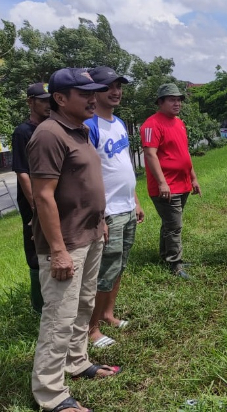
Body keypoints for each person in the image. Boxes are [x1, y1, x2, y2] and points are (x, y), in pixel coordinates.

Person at [27, 68, 121, 412]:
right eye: (85, 94)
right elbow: (43, 197)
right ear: (61, 98)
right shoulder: (49, 134)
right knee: (59, 317)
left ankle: (77, 362)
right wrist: (57, 250)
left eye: (94, 92)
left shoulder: (79, 129)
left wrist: (100, 222)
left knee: (83, 306)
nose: (93, 99)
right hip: (66, 244)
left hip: (90, 233)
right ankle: (50, 395)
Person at [85, 66, 145, 348]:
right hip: (108, 212)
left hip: (127, 207)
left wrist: (136, 201)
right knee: (104, 271)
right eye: (108, 86)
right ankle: (91, 328)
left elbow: (122, 166)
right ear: (92, 92)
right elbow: (89, 175)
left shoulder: (118, 122)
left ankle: (108, 314)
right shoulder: (90, 126)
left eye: (119, 86)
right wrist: (101, 216)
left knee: (119, 266)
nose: (116, 91)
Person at [140, 83, 201, 279]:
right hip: (166, 186)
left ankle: (166, 255)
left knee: (169, 223)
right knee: (174, 225)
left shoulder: (179, 123)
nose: (177, 103)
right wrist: (162, 183)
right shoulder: (151, 124)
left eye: (179, 100)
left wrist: (193, 178)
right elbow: (150, 155)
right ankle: (175, 263)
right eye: (172, 99)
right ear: (160, 102)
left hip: (182, 183)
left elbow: (184, 153)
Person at [12, 82, 51, 314]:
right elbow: (23, 173)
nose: (48, 105)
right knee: (36, 250)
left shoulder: (52, 127)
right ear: (30, 102)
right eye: (42, 100)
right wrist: (36, 208)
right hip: (34, 202)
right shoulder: (23, 132)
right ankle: (39, 306)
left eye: (50, 100)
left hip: (54, 199)